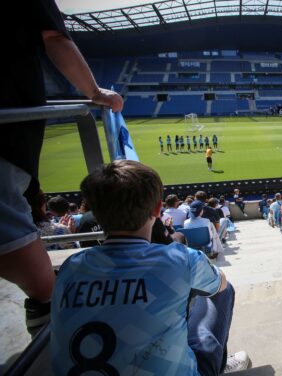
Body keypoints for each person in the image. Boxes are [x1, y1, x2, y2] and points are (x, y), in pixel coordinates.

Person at [0, 0, 123, 338]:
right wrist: (94, 92)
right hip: (6, 141)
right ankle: (54, 344)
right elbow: (54, 36)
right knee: (43, 286)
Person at [50, 160, 250, 375]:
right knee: (221, 289)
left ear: (95, 214)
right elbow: (221, 284)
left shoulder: (71, 267)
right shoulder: (181, 259)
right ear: (157, 209)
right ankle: (217, 364)